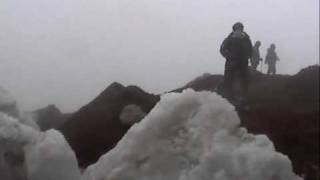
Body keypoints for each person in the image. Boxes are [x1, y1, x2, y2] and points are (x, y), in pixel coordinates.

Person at [220, 22, 253, 101]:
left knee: (245, 79)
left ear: (242, 29)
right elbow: (222, 49)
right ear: (234, 29)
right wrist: (229, 56)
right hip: (232, 63)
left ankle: (243, 96)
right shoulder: (229, 38)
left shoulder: (246, 39)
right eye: (237, 28)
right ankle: (228, 95)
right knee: (228, 79)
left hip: (242, 63)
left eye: (240, 28)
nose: (238, 30)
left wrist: (247, 56)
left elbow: (250, 50)